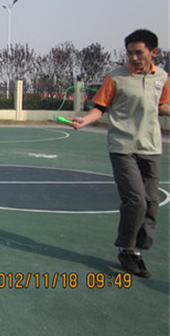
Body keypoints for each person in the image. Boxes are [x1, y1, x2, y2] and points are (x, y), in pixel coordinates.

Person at [67, 29, 170, 278]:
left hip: (151, 147)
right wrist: (85, 120)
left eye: (139, 52)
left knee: (151, 202)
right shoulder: (115, 77)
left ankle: (137, 249)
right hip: (123, 147)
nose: (133, 57)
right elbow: (100, 107)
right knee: (136, 200)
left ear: (153, 52)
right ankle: (126, 249)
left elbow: (162, 105)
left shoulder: (162, 77)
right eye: (129, 53)